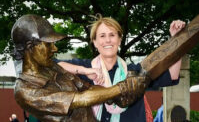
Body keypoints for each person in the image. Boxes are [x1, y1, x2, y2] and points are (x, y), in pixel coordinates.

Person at [12, 14, 150, 122]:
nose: (54, 48)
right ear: (30, 47)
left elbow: (87, 88)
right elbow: (80, 99)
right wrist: (121, 88)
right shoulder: (25, 91)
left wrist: (112, 98)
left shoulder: (51, 67)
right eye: (48, 44)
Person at [56, 16, 185, 122]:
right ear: (94, 42)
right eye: (102, 36)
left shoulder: (135, 72)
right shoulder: (85, 68)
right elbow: (53, 65)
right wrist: (85, 71)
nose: (107, 40)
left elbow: (172, 75)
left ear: (119, 40)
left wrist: (177, 38)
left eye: (112, 35)